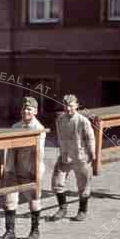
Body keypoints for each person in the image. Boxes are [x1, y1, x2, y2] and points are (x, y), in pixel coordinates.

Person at [0, 96, 46, 239]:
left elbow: (38, 153)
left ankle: (35, 230)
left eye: (29, 109)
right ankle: (10, 232)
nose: (26, 111)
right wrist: (7, 170)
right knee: (9, 200)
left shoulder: (39, 129)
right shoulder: (15, 127)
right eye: (24, 108)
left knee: (34, 200)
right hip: (14, 169)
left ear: (35, 111)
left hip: (31, 169)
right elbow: (10, 148)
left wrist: (35, 173)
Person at [50, 94, 95, 222]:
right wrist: (62, 150)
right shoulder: (60, 119)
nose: (68, 108)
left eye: (71, 105)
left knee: (83, 184)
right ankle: (62, 208)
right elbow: (59, 136)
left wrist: (92, 154)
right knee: (57, 182)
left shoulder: (83, 121)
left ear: (76, 105)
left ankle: (82, 210)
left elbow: (90, 138)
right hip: (65, 155)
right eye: (65, 105)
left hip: (81, 157)